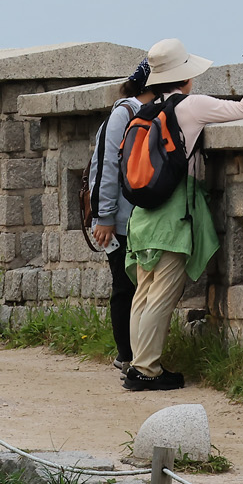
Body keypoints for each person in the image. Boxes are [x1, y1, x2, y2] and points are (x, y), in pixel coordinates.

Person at [122, 37, 243, 391]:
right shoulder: (189, 107)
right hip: (172, 216)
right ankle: (147, 371)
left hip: (143, 215)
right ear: (186, 76)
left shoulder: (145, 111)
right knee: (161, 295)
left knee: (143, 293)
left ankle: (137, 364)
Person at [88, 59, 149, 372]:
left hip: (135, 218)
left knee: (137, 287)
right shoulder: (124, 113)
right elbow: (106, 166)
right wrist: (104, 217)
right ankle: (125, 354)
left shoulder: (140, 112)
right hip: (119, 220)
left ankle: (136, 354)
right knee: (124, 287)